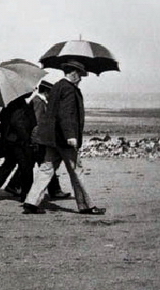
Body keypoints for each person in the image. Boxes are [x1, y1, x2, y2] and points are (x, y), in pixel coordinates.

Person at [22, 60, 106, 215]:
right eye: (80, 75)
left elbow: (53, 113)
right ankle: (86, 206)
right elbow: (66, 115)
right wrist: (70, 136)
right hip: (63, 139)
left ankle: (30, 203)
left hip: (52, 138)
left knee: (46, 169)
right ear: (73, 73)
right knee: (76, 170)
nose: (81, 78)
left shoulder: (57, 86)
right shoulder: (68, 89)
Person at [5, 80, 69, 199]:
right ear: (46, 92)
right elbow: (38, 123)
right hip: (37, 140)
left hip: (34, 140)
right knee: (47, 164)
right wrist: (39, 139)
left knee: (32, 165)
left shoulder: (36, 101)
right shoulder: (39, 102)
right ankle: (54, 190)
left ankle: (13, 185)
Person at [0, 93, 36, 202]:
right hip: (18, 141)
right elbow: (18, 123)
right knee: (26, 167)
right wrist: (27, 138)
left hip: (10, 140)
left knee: (8, 164)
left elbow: (4, 119)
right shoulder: (20, 105)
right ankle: (25, 194)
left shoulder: (10, 104)